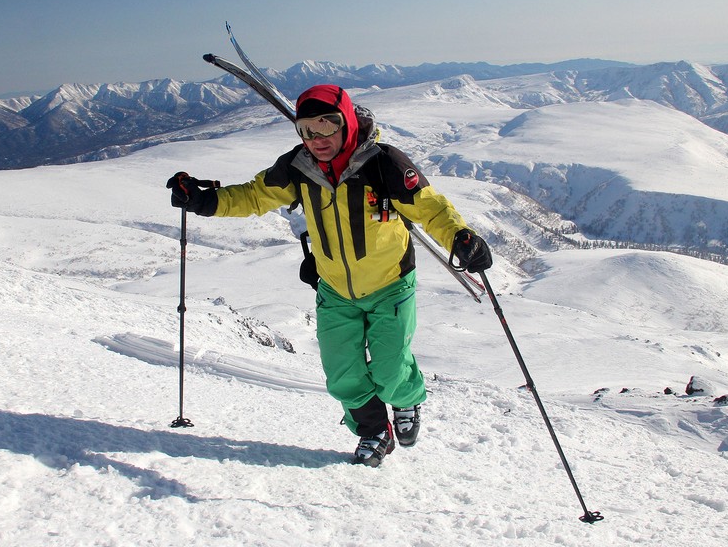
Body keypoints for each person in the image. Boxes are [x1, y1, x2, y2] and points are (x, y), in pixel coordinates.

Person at [167, 84, 492, 467]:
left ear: (347, 121)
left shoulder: (383, 163)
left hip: (390, 284)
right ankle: (374, 431)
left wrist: (460, 236)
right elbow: (254, 195)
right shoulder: (297, 167)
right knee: (342, 375)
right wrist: (205, 200)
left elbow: (430, 207)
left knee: (390, 372)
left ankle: (406, 401)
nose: (317, 139)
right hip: (335, 289)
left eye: (327, 125)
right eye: (306, 129)